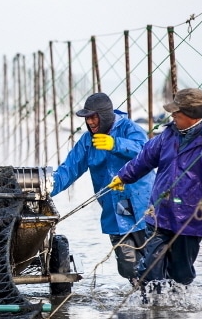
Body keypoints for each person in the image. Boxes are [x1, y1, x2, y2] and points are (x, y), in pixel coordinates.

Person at [107, 88, 202, 289]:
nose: (172, 117)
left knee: (181, 274)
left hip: (191, 219)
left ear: (190, 115)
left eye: (176, 113)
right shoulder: (167, 136)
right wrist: (123, 176)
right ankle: (151, 303)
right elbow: (144, 158)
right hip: (160, 214)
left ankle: (176, 303)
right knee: (150, 271)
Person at [51, 92, 155, 282]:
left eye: (93, 117)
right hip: (115, 211)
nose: (89, 122)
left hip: (144, 207)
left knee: (154, 261)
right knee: (128, 267)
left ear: (105, 115)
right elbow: (69, 169)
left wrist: (116, 144)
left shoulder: (130, 129)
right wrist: (45, 188)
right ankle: (142, 294)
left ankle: (161, 297)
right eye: (87, 118)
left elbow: (148, 152)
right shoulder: (87, 141)